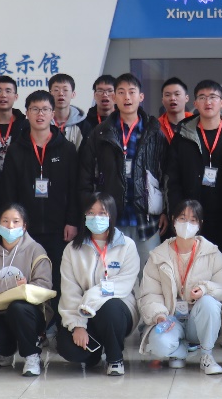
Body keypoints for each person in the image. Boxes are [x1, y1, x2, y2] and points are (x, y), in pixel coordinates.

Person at [164, 79, 222, 352]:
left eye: (213, 97)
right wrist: (179, 216)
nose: (208, 102)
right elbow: (172, 180)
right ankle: (193, 329)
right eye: (203, 97)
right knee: (192, 273)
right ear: (195, 103)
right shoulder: (183, 136)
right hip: (193, 220)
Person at [136, 199, 222, 374]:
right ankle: (179, 352)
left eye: (193, 220)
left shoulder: (211, 252)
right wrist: (159, 315)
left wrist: (205, 289)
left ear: (200, 224)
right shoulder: (158, 255)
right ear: (173, 220)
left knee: (209, 303)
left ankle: (206, 355)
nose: (187, 224)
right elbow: (150, 293)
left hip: (198, 319)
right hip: (171, 319)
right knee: (158, 344)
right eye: (182, 218)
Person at [77, 73, 166, 262]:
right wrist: (91, 209)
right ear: (114, 97)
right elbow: (85, 175)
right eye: (121, 92)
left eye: (132, 92)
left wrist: (166, 210)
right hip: (109, 217)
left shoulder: (154, 132)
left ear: (141, 97)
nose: (127, 97)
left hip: (146, 220)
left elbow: (166, 174)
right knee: (111, 272)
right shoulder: (100, 133)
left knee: (150, 272)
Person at [2, 90, 80, 292]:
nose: (40, 114)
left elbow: (74, 189)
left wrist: (72, 221)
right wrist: (15, 225)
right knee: (28, 278)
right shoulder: (16, 150)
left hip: (59, 228)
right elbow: (9, 192)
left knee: (58, 278)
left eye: (45, 109)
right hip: (27, 230)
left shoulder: (67, 149)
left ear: (53, 113)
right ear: (27, 113)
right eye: (35, 109)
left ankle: (57, 313)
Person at [56, 193, 140, 375]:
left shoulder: (127, 245)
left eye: (102, 213)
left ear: (111, 215)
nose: (96, 218)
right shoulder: (72, 249)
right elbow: (70, 290)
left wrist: (90, 298)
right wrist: (78, 325)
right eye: (91, 212)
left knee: (110, 307)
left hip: (118, 310)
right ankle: (93, 354)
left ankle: (115, 358)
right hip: (82, 312)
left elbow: (123, 284)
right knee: (68, 348)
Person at [0, 203, 54, 377]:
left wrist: (22, 290)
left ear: (24, 226)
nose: (10, 226)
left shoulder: (36, 250)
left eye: (16, 221)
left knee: (18, 308)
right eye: (5, 221)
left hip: (30, 314)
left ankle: (31, 355)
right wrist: (9, 284)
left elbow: (44, 285)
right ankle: (7, 350)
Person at [49, 73, 86, 147]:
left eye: (65, 90)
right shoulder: (42, 121)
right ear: (50, 94)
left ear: (73, 94)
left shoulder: (83, 125)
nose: (61, 93)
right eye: (56, 90)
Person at [160, 77, 192, 142]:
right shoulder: (156, 127)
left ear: (186, 98)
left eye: (177, 94)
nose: (172, 98)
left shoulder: (197, 124)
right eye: (167, 95)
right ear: (162, 101)